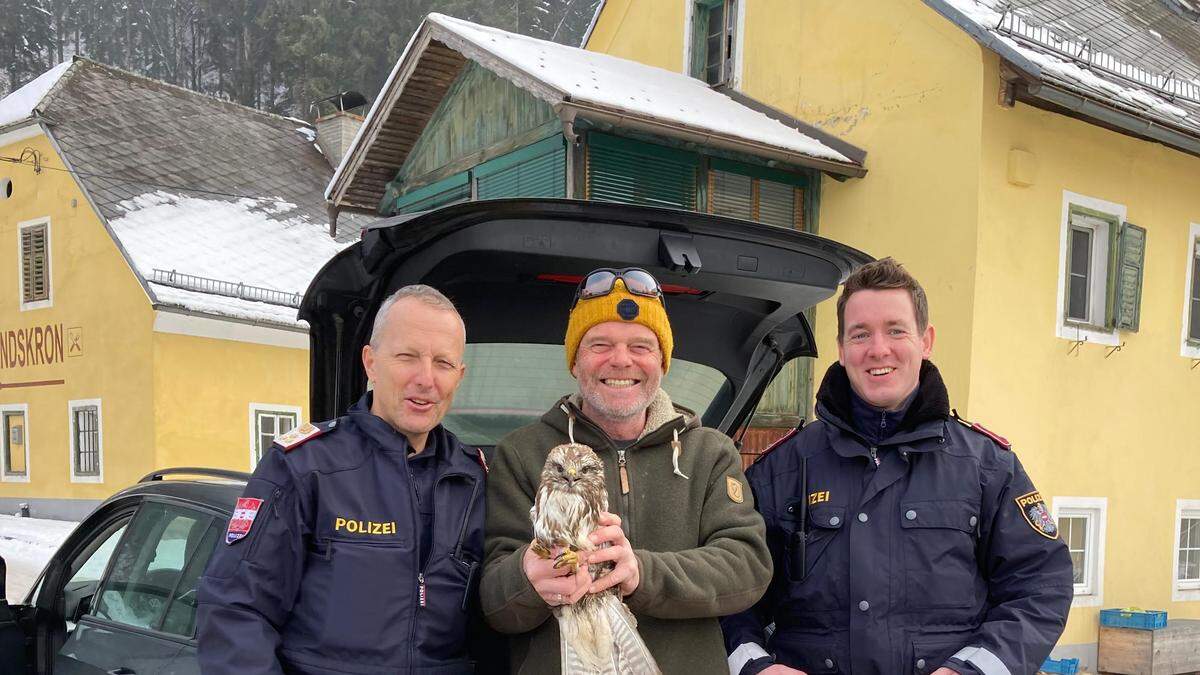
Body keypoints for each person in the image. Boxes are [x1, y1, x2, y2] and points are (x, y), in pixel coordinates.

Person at [721, 257, 1074, 675]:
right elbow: (729, 593)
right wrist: (755, 666)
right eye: (860, 334)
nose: (878, 349)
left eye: (895, 330)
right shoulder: (782, 469)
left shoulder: (986, 467)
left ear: (926, 340)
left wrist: (974, 670)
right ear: (841, 348)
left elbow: (1040, 586)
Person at [481, 267, 773, 673]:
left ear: (662, 361)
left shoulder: (709, 453)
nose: (621, 360)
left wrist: (641, 572)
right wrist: (528, 579)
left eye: (641, 346)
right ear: (575, 361)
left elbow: (748, 567)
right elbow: (495, 605)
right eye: (599, 343)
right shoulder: (522, 453)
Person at [197, 285, 486, 674]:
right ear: (371, 362)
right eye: (407, 357)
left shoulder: (473, 480)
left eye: (443, 363)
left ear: (460, 375)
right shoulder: (304, 468)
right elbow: (235, 610)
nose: (426, 379)